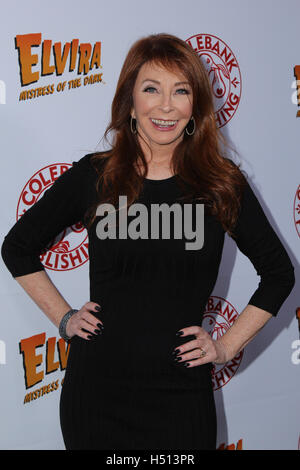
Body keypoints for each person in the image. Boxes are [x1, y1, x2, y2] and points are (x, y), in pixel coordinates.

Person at [1, 33, 295, 450]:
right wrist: (64, 319)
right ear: (131, 101)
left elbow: (279, 273)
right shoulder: (95, 176)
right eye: (151, 89)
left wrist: (227, 346)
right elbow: (16, 247)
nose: (166, 106)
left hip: (180, 397)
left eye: (181, 91)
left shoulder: (220, 184)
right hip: (97, 393)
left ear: (196, 107)